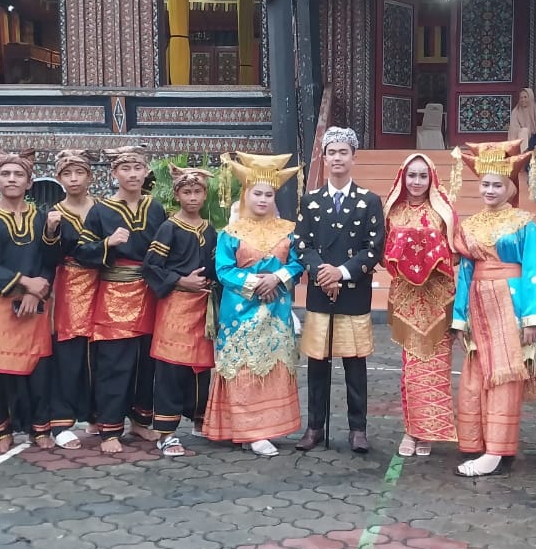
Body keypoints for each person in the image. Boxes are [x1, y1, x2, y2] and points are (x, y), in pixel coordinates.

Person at [451, 140, 536, 477]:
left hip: (510, 302)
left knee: (504, 375)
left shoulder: (523, 222)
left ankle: (497, 450)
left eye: (497, 185)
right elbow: (465, 273)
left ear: (510, 187)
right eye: (485, 184)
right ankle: (477, 441)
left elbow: (532, 270)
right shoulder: (470, 225)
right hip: (478, 301)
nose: (490, 190)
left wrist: (531, 317)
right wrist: (459, 317)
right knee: (476, 372)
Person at [202, 152, 304, 456]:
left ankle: (268, 428)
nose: (262, 199)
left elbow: (297, 264)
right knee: (244, 369)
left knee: (273, 367)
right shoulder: (230, 233)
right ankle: (249, 431)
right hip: (240, 312)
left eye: (268, 194)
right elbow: (223, 270)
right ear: (246, 194)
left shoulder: (288, 230)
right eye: (257, 193)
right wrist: (257, 283)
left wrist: (277, 278)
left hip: (276, 310)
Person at [294, 126, 384, 453]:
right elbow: (301, 244)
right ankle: (314, 426)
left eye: (343, 152)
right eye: (331, 152)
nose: (337, 158)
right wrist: (323, 273)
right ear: (324, 156)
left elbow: (374, 248)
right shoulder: (311, 201)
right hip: (320, 291)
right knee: (317, 364)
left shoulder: (369, 201)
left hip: (353, 291)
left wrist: (341, 273)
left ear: (353, 157)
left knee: (354, 365)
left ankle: (358, 429)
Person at [74, 146, 165, 453]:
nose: (132, 174)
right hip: (115, 294)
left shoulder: (155, 207)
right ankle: (109, 428)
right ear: (114, 173)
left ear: (146, 172)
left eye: (138, 168)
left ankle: (140, 421)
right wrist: (107, 243)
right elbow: (82, 252)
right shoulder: (100, 211)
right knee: (115, 362)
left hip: (150, 292)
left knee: (146, 362)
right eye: (125, 169)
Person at [0, 149, 59, 453]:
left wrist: (35, 292)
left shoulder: (41, 217)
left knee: (39, 367)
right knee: (3, 370)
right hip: (2, 302)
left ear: (29, 182)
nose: (11, 179)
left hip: (37, 304)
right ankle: (0, 430)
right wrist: (23, 284)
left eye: (18, 174)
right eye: (5, 174)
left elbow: (50, 259)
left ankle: (40, 428)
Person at [384, 153, 458, 457]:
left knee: (436, 367)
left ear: (432, 179)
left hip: (438, 299)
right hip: (407, 299)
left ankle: (427, 433)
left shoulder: (443, 211)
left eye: (422, 176)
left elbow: (456, 251)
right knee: (411, 369)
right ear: (403, 177)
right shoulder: (392, 210)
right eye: (411, 175)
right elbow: (383, 251)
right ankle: (411, 431)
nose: (416, 182)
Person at [145, 166, 217, 457]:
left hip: (202, 308)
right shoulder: (169, 228)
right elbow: (151, 266)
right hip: (175, 307)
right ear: (177, 195)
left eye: (197, 191)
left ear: (205, 194)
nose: (192, 197)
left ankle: (200, 419)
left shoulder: (209, 229)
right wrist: (180, 280)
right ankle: (166, 433)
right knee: (171, 367)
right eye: (187, 192)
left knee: (200, 368)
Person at [47, 149, 98, 449]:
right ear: (59, 178)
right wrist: (51, 232)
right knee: (69, 354)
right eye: (67, 174)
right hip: (68, 287)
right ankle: (62, 421)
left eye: (79, 173)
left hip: (102, 285)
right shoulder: (53, 213)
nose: (74, 179)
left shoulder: (104, 209)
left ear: (90, 177)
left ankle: (96, 414)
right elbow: (47, 255)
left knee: (100, 355)